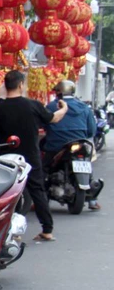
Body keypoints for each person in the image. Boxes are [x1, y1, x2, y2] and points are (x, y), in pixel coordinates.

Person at [0, 71, 68, 241]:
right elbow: (53, 119)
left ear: (5, 85)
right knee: (36, 190)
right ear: (21, 84)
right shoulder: (33, 105)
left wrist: (1, 99)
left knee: (8, 193)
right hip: (30, 156)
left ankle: (10, 230)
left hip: (7, 157)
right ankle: (47, 229)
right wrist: (64, 109)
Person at [43, 80, 100, 211]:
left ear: (58, 92)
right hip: (81, 144)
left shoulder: (52, 106)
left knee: (43, 169)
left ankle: (39, 199)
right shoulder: (84, 107)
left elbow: (44, 124)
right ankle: (93, 201)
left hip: (57, 146)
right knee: (88, 167)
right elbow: (91, 130)